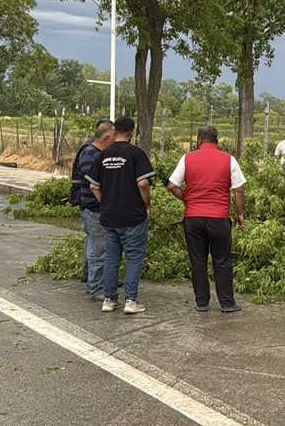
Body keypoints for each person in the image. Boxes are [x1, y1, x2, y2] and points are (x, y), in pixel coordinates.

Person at [167, 126, 246, 314]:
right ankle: (227, 303)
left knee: (198, 260)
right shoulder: (229, 159)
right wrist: (240, 213)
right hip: (218, 218)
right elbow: (239, 190)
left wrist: (188, 199)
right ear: (216, 140)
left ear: (199, 139)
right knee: (222, 260)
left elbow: (172, 185)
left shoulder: (188, 158)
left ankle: (202, 302)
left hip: (193, 218)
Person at [87, 116, 153, 315]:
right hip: (132, 216)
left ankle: (109, 299)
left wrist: (105, 201)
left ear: (114, 131)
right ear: (132, 133)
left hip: (109, 216)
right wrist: (147, 205)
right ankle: (131, 301)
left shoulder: (104, 154)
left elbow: (93, 185)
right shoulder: (136, 154)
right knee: (134, 258)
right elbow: (143, 183)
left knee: (111, 259)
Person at [71, 119, 112, 284]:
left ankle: (90, 278)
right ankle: (96, 285)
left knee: (94, 244)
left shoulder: (95, 153)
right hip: (94, 208)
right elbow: (95, 183)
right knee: (98, 249)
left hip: (93, 207)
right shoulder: (90, 154)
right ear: (108, 137)